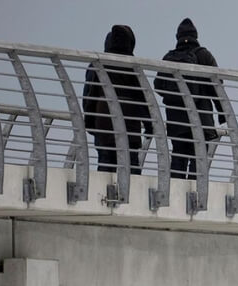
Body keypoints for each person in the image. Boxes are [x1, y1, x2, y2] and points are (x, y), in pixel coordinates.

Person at [153, 18, 225, 180]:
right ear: (196, 36)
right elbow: (217, 87)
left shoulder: (169, 58)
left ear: (177, 37)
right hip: (201, 118)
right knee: (198, 158)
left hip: (176, 119)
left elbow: (158, 85)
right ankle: (196, 192)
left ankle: (175, 190)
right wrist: (222, 113)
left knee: (179, 155)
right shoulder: (204, 55)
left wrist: (174, 97)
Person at [81, 24, 152, 175]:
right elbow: (143, 99)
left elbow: (90, 95)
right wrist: (149, 124)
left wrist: (90, 122)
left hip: (104, 123)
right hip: (130, 125)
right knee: (131, 166)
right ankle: (132, 196)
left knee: (105, 165)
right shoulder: (134, 67)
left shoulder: (98, 64)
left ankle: (103, 195)